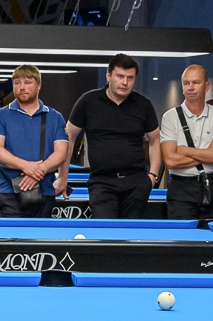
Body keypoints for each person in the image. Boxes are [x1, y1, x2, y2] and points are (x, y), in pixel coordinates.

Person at [66, 54, 162, 218]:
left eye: (130, 78)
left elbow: (155, 140)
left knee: (131, 232)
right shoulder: (88, 101)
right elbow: (68, 137)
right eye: (120, 76)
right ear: (108, 75)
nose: (125, 82)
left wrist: (152, 176)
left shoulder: (143, 104)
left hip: (136, 182)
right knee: (105, 230)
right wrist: (63, 177)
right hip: (101, 181)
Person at [0, 65, 72, 217]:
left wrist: (39, 170)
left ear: (39, 85)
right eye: (17, 83)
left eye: (27, 82)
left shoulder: (55, 117)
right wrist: (26, 167)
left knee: (42, 232)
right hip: (9, 190)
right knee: (12, 232)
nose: (22, 87)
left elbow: (61, 153)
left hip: (45, 190)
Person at [160, 63, 213, 222]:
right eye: (186, 83)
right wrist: (208, 153)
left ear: (206, 86)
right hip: (181, 189)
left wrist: (184, 150)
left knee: (212, 236)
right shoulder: (170, 117)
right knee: (181, 237)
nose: (190, 87)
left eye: (195, 83)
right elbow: (170, 161)